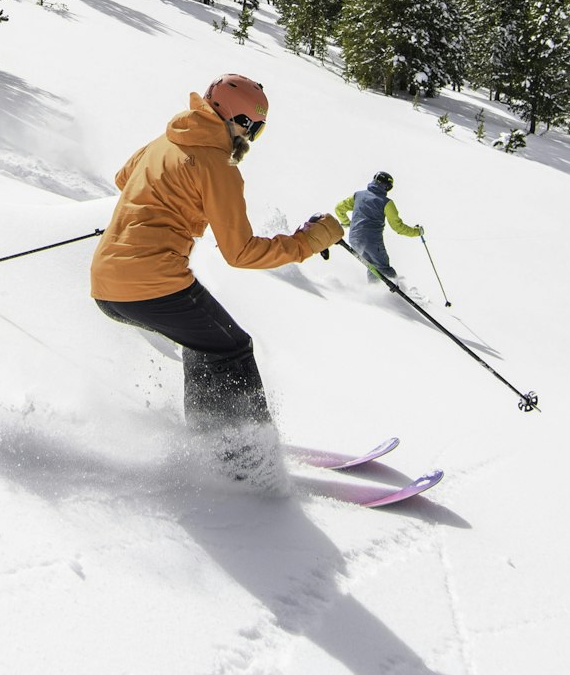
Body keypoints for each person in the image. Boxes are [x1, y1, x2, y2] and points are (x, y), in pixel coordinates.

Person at [92, 73, 342, 486]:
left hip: (108, 283)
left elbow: (123, 180)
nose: (252, 137)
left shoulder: (167, 138)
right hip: (152, 281)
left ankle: (213, 438)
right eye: (253, 126)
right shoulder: (217, 163)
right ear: (234, 117)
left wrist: (164, 205)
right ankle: (250, 459)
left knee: (206, 343)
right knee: (233, 347)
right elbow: (240, 252)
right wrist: (308, 241)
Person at [335, 171, 424, 285]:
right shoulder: (386, 203)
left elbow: (339, 208)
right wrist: (417, 232)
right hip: (371, 240)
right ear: (387, 186)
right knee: (383, 267)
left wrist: (348, 223)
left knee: (372, 267)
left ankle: (376, 292)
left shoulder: (358, 195)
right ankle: (399, 293)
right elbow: (398, 227)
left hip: (354, 239)